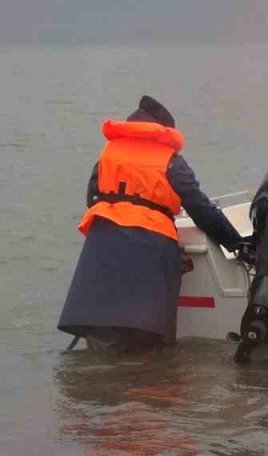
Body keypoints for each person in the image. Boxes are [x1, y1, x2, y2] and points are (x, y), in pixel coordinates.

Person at [57, 95, 247, 347]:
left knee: (101, 332)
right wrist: (236, 242)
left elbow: (93, 197)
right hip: (149, 249)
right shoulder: (169, 160)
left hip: (102, 248)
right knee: (145, 339)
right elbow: (200, 208)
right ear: (163, 130)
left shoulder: (109, 153)